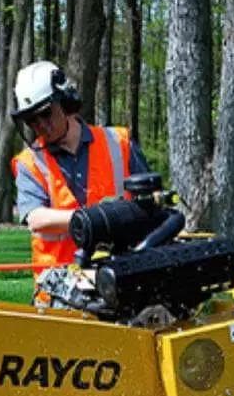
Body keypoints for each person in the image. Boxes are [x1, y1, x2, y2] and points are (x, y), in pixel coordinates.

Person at [10, 60, 149, 275]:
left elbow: (151, 203)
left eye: (46, 114)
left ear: (66, 103)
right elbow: (36, 219)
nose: (40, 125)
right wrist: (96, 218)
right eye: (31, 120)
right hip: (60, 283)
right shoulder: (30, 162)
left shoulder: (118, 143)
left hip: (122, 272)